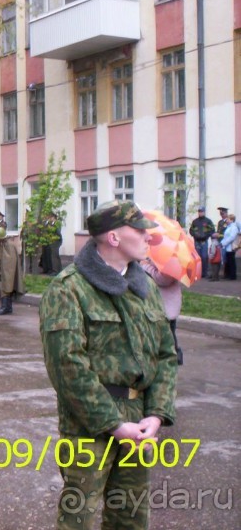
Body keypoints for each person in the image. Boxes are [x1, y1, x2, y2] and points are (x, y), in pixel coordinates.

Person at [39, 200, 177, 529]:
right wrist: (115, 425)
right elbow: (68, 367)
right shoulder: (68, 288)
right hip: (88, 425)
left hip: (140, 420)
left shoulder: (144, 288)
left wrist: (156, 415)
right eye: (140, 230)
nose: (150, 237)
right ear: (113, 238)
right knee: (79, 518)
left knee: (130, 516)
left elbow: (165, 356)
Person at [141, 258, 184, 365]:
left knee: (167, 336)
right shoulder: (161, 254)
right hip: (161, 306)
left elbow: (164, 279)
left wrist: (145, 265)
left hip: (166, 307)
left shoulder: (171, 258)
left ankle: (171, 359)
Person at [188, 206, 214, 275]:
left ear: (204, 212)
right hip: (197, 242)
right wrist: (195, 235)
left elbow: (212, 230)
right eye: (199, 211)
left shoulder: (208, 221)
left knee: (204, 257)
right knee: (197, 257)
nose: (200, 213)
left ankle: (204, 272)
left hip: (204, 242)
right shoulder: (195, 221)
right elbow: (191, 230)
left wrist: (206, 236)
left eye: (201, 211)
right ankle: (197, 272)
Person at [219, 213, 238, 280]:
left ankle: (232, 275)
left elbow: (231, 237)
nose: (226, 221)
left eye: (228, 219)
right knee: (227, 260)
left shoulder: (234, 227)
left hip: (230, 247)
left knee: (231, 261)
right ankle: (228, 274)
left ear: (232, 220)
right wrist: (222, 243)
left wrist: (223, 243)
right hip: (226, 246)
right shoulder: (229, 227)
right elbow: (226, 236)